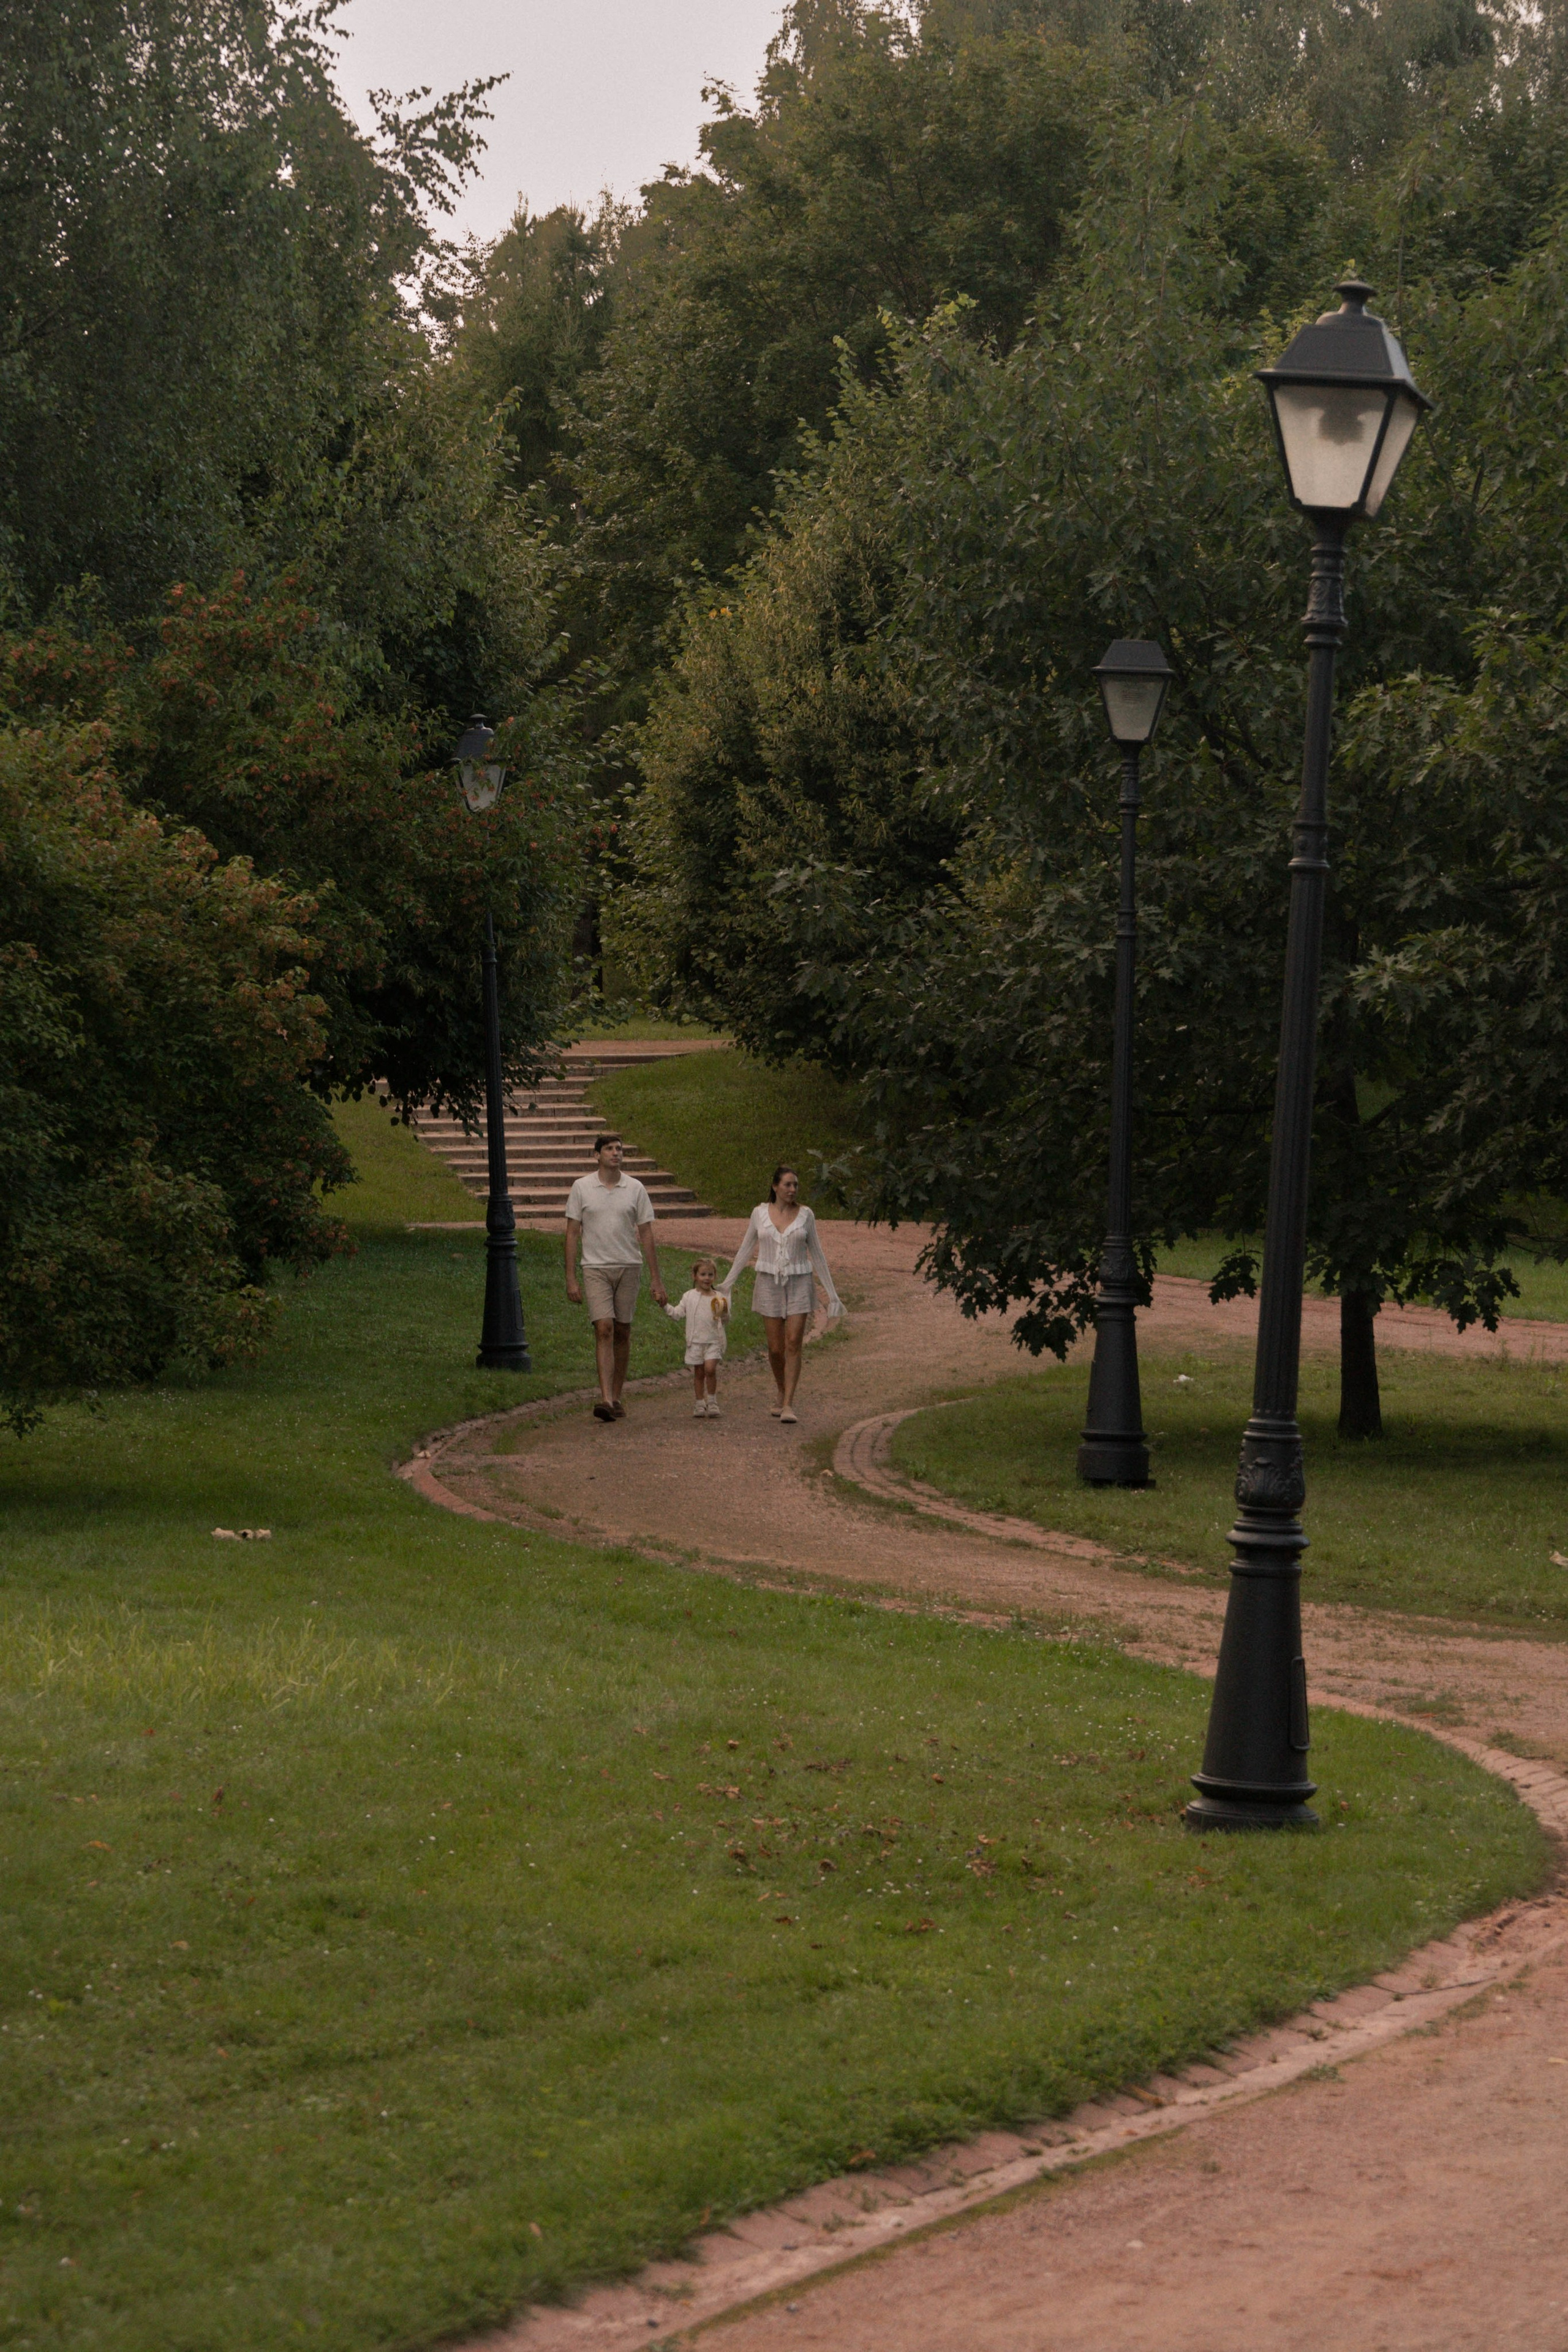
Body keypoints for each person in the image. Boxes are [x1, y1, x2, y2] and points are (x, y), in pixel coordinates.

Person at [720, 1164, 843, 1423]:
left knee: (793, 1343)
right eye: (787, 1184)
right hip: (768, 1284)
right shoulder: (759, 1214)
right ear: (775, 1186)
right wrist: (727, 1284)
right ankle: (781, 1388)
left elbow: (818, 1255)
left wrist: (833, 1295)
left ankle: (788, 1404)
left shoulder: (806, 1215)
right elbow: (745, 1250)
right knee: (775, 1349)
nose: (792, 1189)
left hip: (800, 1283)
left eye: (796, 1185)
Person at [564, 1133, 668, 1422]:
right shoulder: (582, 1187)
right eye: (609, 1149)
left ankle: (617, 1394)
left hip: (629, 1266)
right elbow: (572, 1232)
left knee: (623, 1330)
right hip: (595, 1267)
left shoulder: (635, 1188)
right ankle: (605, 1398)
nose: (615, 1153)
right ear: (597, 1155)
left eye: (619, 1149)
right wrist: (571, 1277)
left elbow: (646, 1233)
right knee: (604, 1328)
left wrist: (656, 1279)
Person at [666, 1257, 729, 1417]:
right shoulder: (689, 1296)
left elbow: (726, 1320)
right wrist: (664, 1305)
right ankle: (700, 1403)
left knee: (710, 1369)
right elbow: (677, 1314)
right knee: (699, 1373)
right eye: (703, 1275)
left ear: (715, 1276)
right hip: (695, 1342)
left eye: (710, 1275)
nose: (707, 1278)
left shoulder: (719, 1297)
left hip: (713, 1341)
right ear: (695, 1276)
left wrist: (724, 1312)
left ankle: (713, 1401)